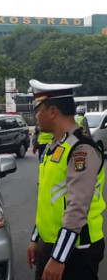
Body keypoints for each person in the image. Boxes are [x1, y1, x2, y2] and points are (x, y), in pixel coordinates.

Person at [26, 79, 105, 280]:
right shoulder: (55, 147)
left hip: (76, 250)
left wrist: (59, 258)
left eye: (38, 110)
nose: (36, 116)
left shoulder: (81, 150)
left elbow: (77, 207)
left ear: (52, 111)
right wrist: (36, 238)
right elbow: (48, 199)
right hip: (53, 243)